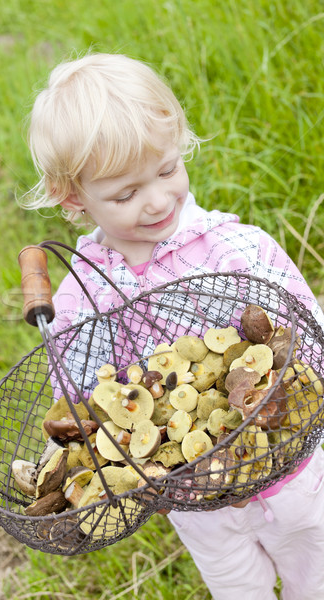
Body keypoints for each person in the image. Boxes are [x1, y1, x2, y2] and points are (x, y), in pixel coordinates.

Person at [24, 52, 324, 600]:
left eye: (167, 170)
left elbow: (305, 330)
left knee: (318, 571)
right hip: (191, 492)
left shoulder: (236, 249)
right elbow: (82, 403)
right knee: (237, 587)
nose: (159, 199)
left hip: (289, 473)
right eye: (125, 194)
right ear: (74, 199)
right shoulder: (81, 299)